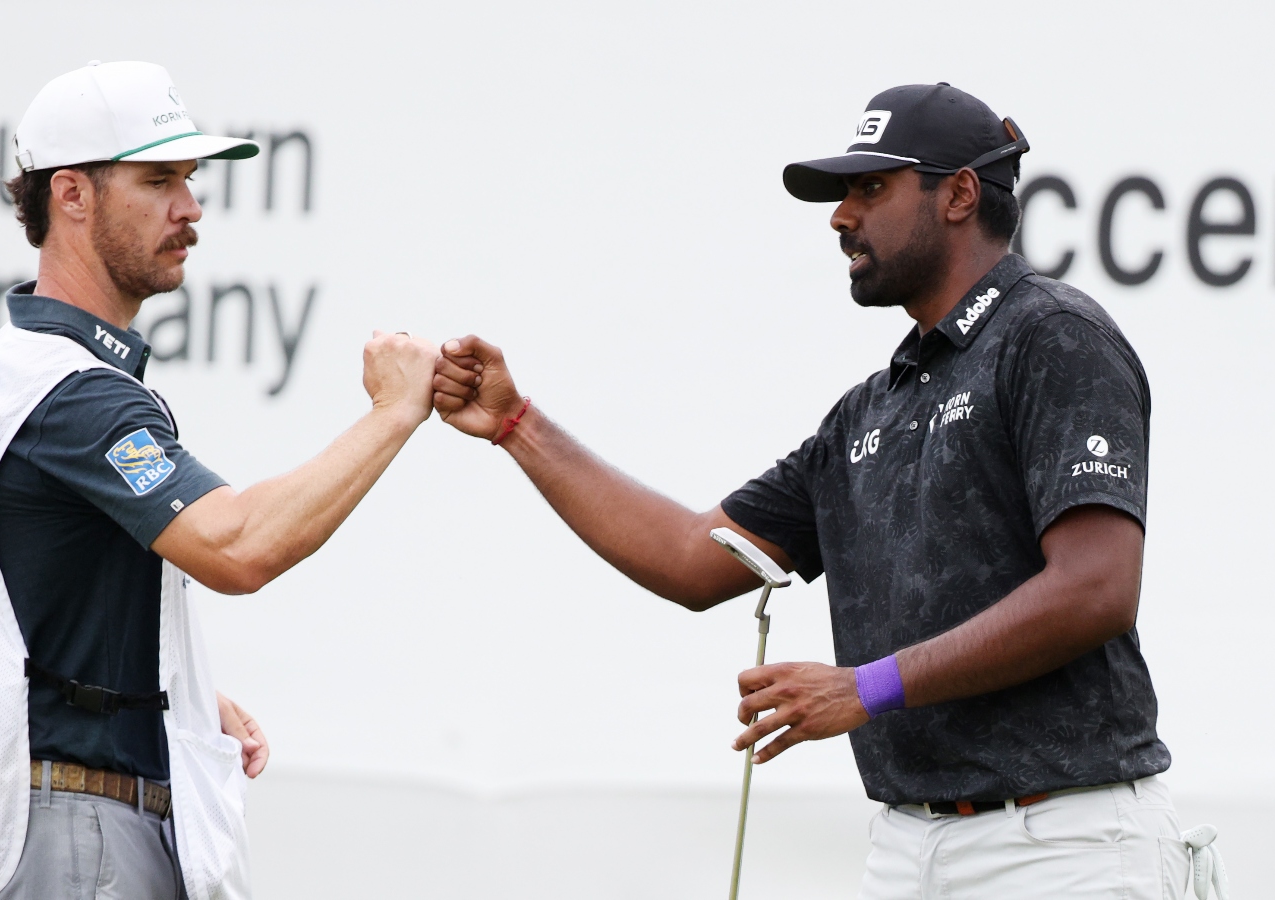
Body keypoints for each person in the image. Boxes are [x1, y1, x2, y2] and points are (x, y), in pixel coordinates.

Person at [431, 83, 1211, 898]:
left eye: (871, 188)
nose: (841, 216)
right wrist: (517, 423)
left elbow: (1096, 589)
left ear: (960, 193)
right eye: (843, 194)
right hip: (908, 846)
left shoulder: (1051, 335)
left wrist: (867, 686)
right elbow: (689, 560)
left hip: (1062, 845)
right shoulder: (871, 410)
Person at [0, 61, 437, 900]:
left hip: (56, 814)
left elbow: (34, 606)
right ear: (73, 196)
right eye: (159, 180)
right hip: (81, 831)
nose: (191, 208)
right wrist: (391, 413)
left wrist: (170, 693)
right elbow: (239, 547)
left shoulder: (8, 368)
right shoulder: (74, 392)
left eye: (191, 180)